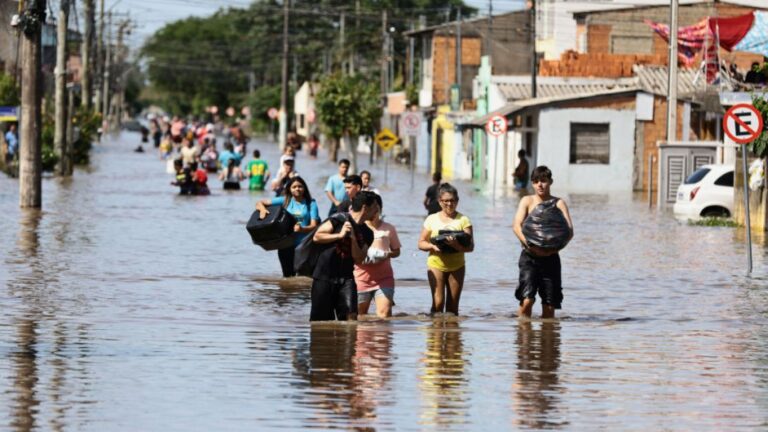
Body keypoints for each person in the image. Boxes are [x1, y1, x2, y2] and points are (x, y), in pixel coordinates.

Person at [512, 166, 574, 319]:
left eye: (544, 181)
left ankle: (547, 339)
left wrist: (552, 250)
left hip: (551, 259)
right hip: (529, 258)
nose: (540, 184)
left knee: (549, 305)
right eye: (536, 181)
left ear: (550, 182)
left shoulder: (558, 203)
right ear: (532, 183)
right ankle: (523, 336)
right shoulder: (527, 201)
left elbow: (569, 232)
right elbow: (516, 226)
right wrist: (530, 245)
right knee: (527, 300)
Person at [310, 191, 378, 321]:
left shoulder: (368, 233)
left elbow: (359, 259)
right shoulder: (338, 218)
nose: (377, 211)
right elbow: (317, 237)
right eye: (375, 207)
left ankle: (348, 342)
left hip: (347, 279)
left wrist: (353, 238)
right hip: (323, 277)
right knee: (321, 322)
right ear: (365, 207)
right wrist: (339, 235)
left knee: (350, 319)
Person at [418, 183, 473, 315]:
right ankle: (434, 334)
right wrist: (432, 246)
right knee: (437, 304)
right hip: (436, 264)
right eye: (446, 201)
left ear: (457, 201)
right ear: (439, 201)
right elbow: (421, 243)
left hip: (457, 266)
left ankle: (451, 335)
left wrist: (457, 246)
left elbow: (470, 247)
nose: (449, 204)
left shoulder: (464, 220)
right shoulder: (431, 219)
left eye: (452, 200)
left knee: (452, 308)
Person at [255, 176, 320, 277]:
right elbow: (260, 202)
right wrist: (263, 211)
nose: (297, 189)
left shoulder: (311, 203)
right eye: (294, 187)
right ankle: (288, 293)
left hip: (304, 245)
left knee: (304, 276)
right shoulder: (285, 200)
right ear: (289, 189)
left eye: (300, 186)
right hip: (285, 244)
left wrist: (302, 229)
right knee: (288, 277)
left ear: (304, 188)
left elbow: (314, 225)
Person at [354, 193, 401, 318]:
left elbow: (397, 251)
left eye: (377, 208)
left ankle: (381, 337)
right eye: (372, 208)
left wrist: (386, 255)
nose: (374, 212)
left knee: (384, 315)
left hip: (384, 279)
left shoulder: (389, 228)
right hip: (360, 279)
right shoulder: (359, 228)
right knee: (359, 316)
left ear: (380, 209)